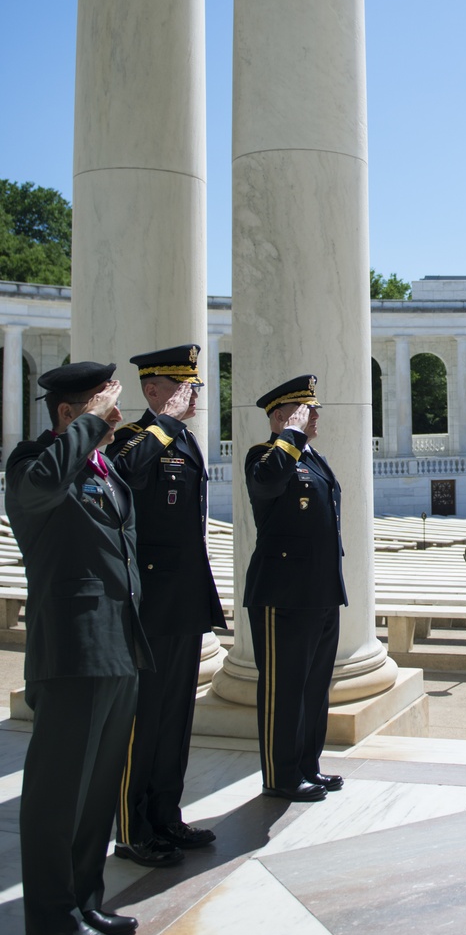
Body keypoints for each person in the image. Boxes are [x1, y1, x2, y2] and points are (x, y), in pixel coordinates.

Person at [5, 362, 151, 935]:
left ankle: (86, 897)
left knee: (96, 788)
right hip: (72, 646)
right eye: (101, 405)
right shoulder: (31, 466)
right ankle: (51, 916)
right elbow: (41, 487)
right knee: (58, 791)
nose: (113, 416)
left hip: (118, 643)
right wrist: (88, 424)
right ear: (69, 414)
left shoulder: (104, 469)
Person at [107, 345, 226, 866]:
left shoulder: (187, 441)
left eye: (195, 387)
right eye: (183, 388)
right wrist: (164, 426)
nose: (194, 396)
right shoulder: (134, 439)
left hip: (182, 598)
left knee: (176, 716)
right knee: (144, 718)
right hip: (148, 601)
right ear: (152, 391)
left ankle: (166, 816)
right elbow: (123, 476)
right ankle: (133, 830)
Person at [243, 374, 347, 801]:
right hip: (281, 594)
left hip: (320, 590)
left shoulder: (314, 458)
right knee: (283, 690)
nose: (316, 415)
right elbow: (267, 483)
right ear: (281, 417)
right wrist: (289, 435)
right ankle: (280, 776)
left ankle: (308, 765)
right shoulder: (265, 455)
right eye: (306, 410)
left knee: (313, 687)